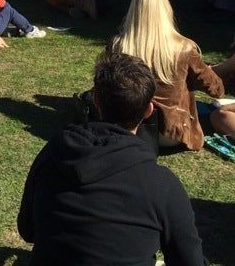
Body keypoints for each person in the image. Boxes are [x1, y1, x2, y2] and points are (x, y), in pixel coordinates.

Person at [19, 51, 207, 265]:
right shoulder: (161, 183)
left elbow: (28, 231)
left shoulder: (53, 154)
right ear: (148, 110)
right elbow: (189, 259)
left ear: (96, 101)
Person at [111, 0, 223, 150]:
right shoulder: (184, 48)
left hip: (129, 127)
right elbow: (216, 89)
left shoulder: (119, 46)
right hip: (170, 133)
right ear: (166, 12)